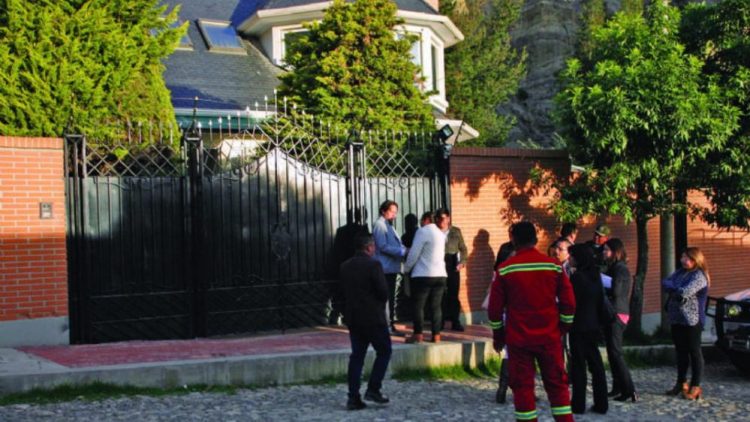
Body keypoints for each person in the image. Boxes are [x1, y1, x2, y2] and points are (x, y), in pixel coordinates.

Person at [488, 221, 576, 422]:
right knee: (557, 387)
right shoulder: (553, 266)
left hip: (519, 341)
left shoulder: (504, 270)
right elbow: (569, 304)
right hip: (549, 338)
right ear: (535, 239)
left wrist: (499, 337)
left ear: (513, 240)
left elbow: (494, 311)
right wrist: (561, 328)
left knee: (523, 389)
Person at [340, 234, 392, 411]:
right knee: (384, 351)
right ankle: (373, 388)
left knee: (357, 357)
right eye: (373, 246)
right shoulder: (374, 265)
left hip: (354, 318)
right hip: (373, 317)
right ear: (369, 247)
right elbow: (383, 292)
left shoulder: (345, 266)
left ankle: (353, 396)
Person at [662, 247, 710, 401]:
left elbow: (685, 291)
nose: (684, 260)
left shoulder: (699, 276)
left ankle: (695, 385)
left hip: (692, 320)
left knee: (694, 352)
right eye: (683, 256)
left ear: (696, 260)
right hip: (677, 318)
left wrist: (674, 289)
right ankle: (680, 382)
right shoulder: (679, 272)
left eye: (688, 258)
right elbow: (665, 283)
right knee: (680, 351)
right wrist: (675, 288)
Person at [567, 244, 608, 415]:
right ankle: (601, 403)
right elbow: (600, 301)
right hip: (593, 325)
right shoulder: (595, 276)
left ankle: (578, 403)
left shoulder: (577, 278)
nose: (569, 259)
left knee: (578, 366)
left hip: (578, 325)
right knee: (596, 365)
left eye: (571, 256)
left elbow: (571, 302)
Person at [404, 210, 448, 343]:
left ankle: (418, 334)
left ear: (426, 220)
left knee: (419, 305)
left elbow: (414, 253)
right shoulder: (441, 234)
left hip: (423, 274)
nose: (421, 223)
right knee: (436, 306)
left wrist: (406, 269)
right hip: (440, 274)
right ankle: (436, 335)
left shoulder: (422, 232)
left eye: (422, 220)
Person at [601, 238, 637, 402]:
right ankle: (617, 387)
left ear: (615, 252)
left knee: (616, 353)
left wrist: (603, 282)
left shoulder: (620, 269)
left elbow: (617, 291)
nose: (604, 253)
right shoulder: (612, 267)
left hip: (618, 312)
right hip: (612, 313)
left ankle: (629, 389)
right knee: (611, 352)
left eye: (606, 250)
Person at [326, 208, 369, 325]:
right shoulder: (363, 231)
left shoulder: (342, 230)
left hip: (343, 266)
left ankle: (337, 315)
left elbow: (336, 251)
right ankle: (349, 315)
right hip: (356, 267)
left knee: (342, 293)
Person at [372, 200, 407, 334]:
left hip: (391, 268)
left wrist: (404, 249)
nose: (394, 215)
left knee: (390, 298)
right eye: (392, 212)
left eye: (395, 212)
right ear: (383, 211)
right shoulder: (380, 225)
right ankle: (385, 326)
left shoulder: (389, 225)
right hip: (384, 268)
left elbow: (395, 244)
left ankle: (389, 324)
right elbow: (383, 246)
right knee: (386, 298)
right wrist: (402, 251)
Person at [439, 209, 468, 332]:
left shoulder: (456, 232)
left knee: (453, 294)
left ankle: (455, 321)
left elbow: (463, 249)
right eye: (440, 218)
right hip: (439, 264)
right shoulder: (434, 231)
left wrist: (462, 262)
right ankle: (439, 321)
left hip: (452, 265)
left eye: (444, 218)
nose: (442, 221)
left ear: (448, 218)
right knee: (440, 294)